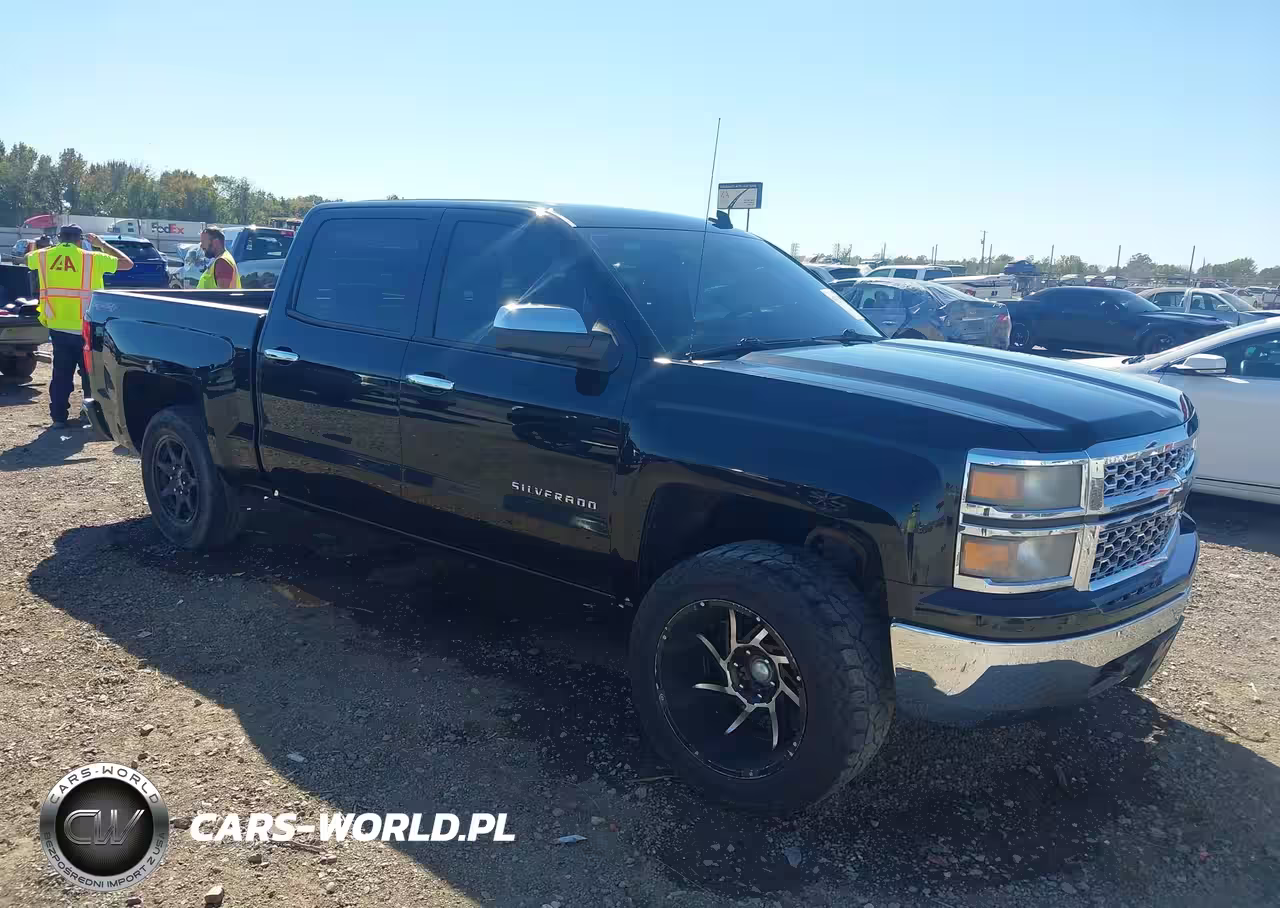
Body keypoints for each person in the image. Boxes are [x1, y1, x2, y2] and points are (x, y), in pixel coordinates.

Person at [27, 224, 134, 428]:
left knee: (60, 374)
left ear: (60, 239)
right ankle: (90, 416)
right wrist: (101, 244)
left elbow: (27, 258)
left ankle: (58, 418)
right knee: (89, 374)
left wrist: (43, 247)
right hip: (86, 327)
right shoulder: (91, 258)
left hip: (58, 325)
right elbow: (127, 263)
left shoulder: (44, 257)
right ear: (80, 239)